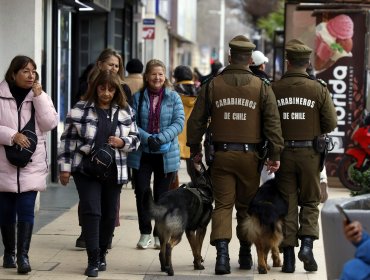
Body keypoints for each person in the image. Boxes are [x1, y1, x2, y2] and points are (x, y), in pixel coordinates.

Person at [187, 35, 284, 275]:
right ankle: (243, 253)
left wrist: (194, 150)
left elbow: (196, 121)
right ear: (250, 59)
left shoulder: (212, 85)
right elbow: (273, 123)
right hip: (250, 159)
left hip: (221, 156)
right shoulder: (262, 87)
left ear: (230, 57)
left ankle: (221, 257)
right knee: (246, 207)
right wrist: (274, 154)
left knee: (222, 205)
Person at [58, 70, 140, 277]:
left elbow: (136, 138)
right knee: (92, 211)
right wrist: (65, 169)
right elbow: (67, 141)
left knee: (109, 214)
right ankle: (92, 258)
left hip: (114, 170)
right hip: (86, 169)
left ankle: (102, 253)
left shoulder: (125, 111)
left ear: (116, 91)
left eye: (110, 89)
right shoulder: (79, 110)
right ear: (95, 88)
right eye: (102, 88)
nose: (106, 93)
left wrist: (123, 142)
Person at [271, 39, 337, 273]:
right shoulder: (318, 88)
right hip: (310, 154)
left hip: (283, 154)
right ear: (307, 62)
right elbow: (330, 122)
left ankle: (288, 259)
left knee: (287, 203)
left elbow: (268, 123)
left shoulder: (274, 88)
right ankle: (307, 246)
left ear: (288, 62)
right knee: (310, 201)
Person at [0, 55, 58, 274]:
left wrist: (40, 97)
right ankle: (9, 252)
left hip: (31, 162)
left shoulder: (39, 96)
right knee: (5, 210)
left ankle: (23, 256)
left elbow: (50, 123)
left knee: (26, 209)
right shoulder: (1, 95)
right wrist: (11, 135)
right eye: (25, 70)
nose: (30, 75)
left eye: (33, 71)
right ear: (13, 73)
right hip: (3, 163)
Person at [75, 48, 131, 249]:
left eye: (117, 65)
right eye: (111, 64)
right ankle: (89, 237)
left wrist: (123, 142)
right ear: (100, 64)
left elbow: (131, 128)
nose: (114, 68)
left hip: (114, 160)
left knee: (109, 209)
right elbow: (75, 125)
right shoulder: (86, 89)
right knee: (91, 205)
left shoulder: (124, 92)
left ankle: (104, 240)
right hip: (88, 162)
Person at [127, 59, 184, 250]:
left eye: (160, 74)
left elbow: (179, 122)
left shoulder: (173, 97)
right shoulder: (137, 97)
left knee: (162, 196)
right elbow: (131, 122)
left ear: (165, 76)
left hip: (166, 154)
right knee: (142, 192)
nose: (157, 78)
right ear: (147, 76)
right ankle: (145, 233)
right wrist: (147, 138)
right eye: (153, 74)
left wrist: (160, 138)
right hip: (142, 153)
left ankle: (160, 234)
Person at [173, 65, 199, 183]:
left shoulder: (172, 92)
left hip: (175, 135)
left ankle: (172, 196)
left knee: (172, 172)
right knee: (195, 170)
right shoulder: (200, 91)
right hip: (194, 137)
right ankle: (199, 193)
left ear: (176, 77)